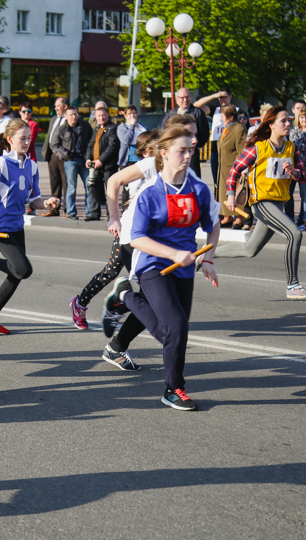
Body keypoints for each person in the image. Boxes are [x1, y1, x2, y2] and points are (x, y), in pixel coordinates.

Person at [106, 125, 220, 411]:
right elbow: (136, 238)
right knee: (176, 327)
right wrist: (173, 253)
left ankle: (125, 296)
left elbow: (213, 224)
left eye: (190, 150)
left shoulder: (198, 189)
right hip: (153, 264)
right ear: (164, 153)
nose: (188, 156)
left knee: (174, 331)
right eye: (182, 151)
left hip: (183, 268)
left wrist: (208, 259)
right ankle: (174, 389)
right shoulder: (150, 193)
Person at [0, 119, 60, 335]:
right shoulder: (1, 164)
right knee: (23, 269)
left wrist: (46, 203)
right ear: (9, 139)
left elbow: (33, 201)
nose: (27, 142)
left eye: (29, 138)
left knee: (17, 273)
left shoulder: (32, 166)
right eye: (22, 138)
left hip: (17, 225)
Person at [214, 107, 306, 299]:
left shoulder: (292, 148)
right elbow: (234, 170)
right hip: (261, 203)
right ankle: (293, 285)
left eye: (288, 120)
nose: (287, 124)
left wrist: (294, 172)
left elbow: (303, 176)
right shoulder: (258, 148)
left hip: (278, 205)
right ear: (271, 125)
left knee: (249, 250)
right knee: (295, 234)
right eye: (283, 121)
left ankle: (207, 255)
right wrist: (231, 195)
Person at [68, 130, 159, 335]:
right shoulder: (140, 170)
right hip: (130, 230)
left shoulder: (157, 168)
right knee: (113, 271)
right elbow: (126, 198)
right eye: (156, 149)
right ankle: (81, 303)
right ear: (145, 152)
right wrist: (114, 218)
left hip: (147, 233)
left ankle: (127, 311)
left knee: (144, 278)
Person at [50, 106, 91, 220]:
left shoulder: (85, 125)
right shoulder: (61, 129)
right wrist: (65, 154)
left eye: (75, 114)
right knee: (71, 188)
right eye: (71, 115)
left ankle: (90, 212)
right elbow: (54, 145)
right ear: (66, 117)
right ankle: (71, 212)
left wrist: (89, 156)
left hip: (84, 160)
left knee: (89, 187)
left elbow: (91, 141)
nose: (74, 117)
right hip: (70, 160)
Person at [160, 88, 210, 177]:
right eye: (182, 98)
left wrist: (193, 146)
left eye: (187, 97)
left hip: (191, 153)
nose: (185, 100)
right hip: (174, 152)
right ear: (177, 99)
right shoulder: (171, 113)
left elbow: (204, 134)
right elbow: (164, 131)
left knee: (192, 177)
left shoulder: (198, 113)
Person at [194, 87, 237, 182]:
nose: (222, 99)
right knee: (216, 178)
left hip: (230, 146)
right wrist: (214, 96)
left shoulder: (237, 111)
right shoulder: (215, 110)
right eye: (220, 97)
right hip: (216, 147)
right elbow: (196, 105)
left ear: (230, 97)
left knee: (230, 177)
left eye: (224, 96)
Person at [216, 105, 248, 229]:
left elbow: (241, 150)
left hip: (233, 167)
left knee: (236, 192)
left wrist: (240, 169)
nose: (221, 119)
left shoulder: (239, 129)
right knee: (223, 193)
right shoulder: (228, 128)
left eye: (223, 116)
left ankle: (238, 218)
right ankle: (227, 217)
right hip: (223, 167)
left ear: (230, 117)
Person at [85, 107, 120, 221]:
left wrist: (101, 160)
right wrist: (88, 159)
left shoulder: (113, 128)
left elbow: (112, 147)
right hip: (95, 165)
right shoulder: (96, 129)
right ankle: (94, 213)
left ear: (108, 115)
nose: (101, 117)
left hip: (108, 166)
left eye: (103, 115)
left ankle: (111, 215)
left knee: (110, 191)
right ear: (95, 117)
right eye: (99, 116)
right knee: (93, 188)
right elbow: (91, 145)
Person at [41, 97, 68, 215]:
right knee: (54, 183)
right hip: (52, 155)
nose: (55, 108)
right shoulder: (54, 119)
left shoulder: (70, 119)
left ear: (65, 106)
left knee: (66, 184)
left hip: (63, 155)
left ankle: (68, 210)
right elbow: (49, 135)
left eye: (58, 106)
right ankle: (54, 209)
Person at [117, 105, 147, 169]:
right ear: (125, 116)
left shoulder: (142, 126)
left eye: (134, 113)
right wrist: (132, 125)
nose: (132, 115)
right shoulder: (121, 128)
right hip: (128, 161)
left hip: (142, 159)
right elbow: (126, 141)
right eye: (129, 114)